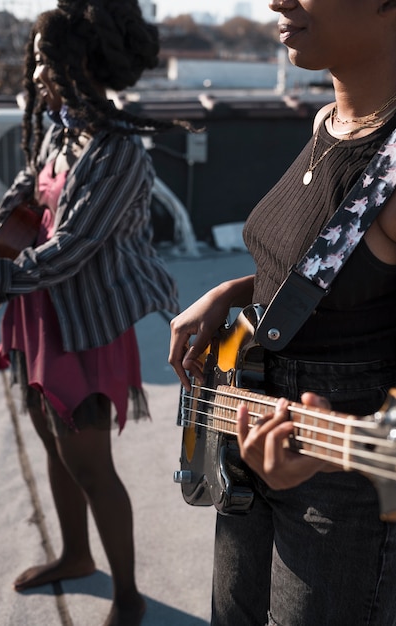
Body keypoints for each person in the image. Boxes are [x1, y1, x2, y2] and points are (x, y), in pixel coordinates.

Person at [169, 0, 396, 624]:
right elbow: (334, 272)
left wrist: (333, 448)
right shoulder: (331, 124)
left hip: (341, 497)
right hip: (250, 448)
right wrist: (233, 293)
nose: (276, 0)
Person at [0, 2, 187, 625]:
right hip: (38, 311)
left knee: (92, 465)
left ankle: (128, 594)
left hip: (84, 326)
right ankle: (75, 555)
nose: (36, 72)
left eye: (46, 61)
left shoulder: (119, 151)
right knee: (52, 441)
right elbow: (22, 190)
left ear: (82, 62)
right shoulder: (63, 127)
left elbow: (70, 249)